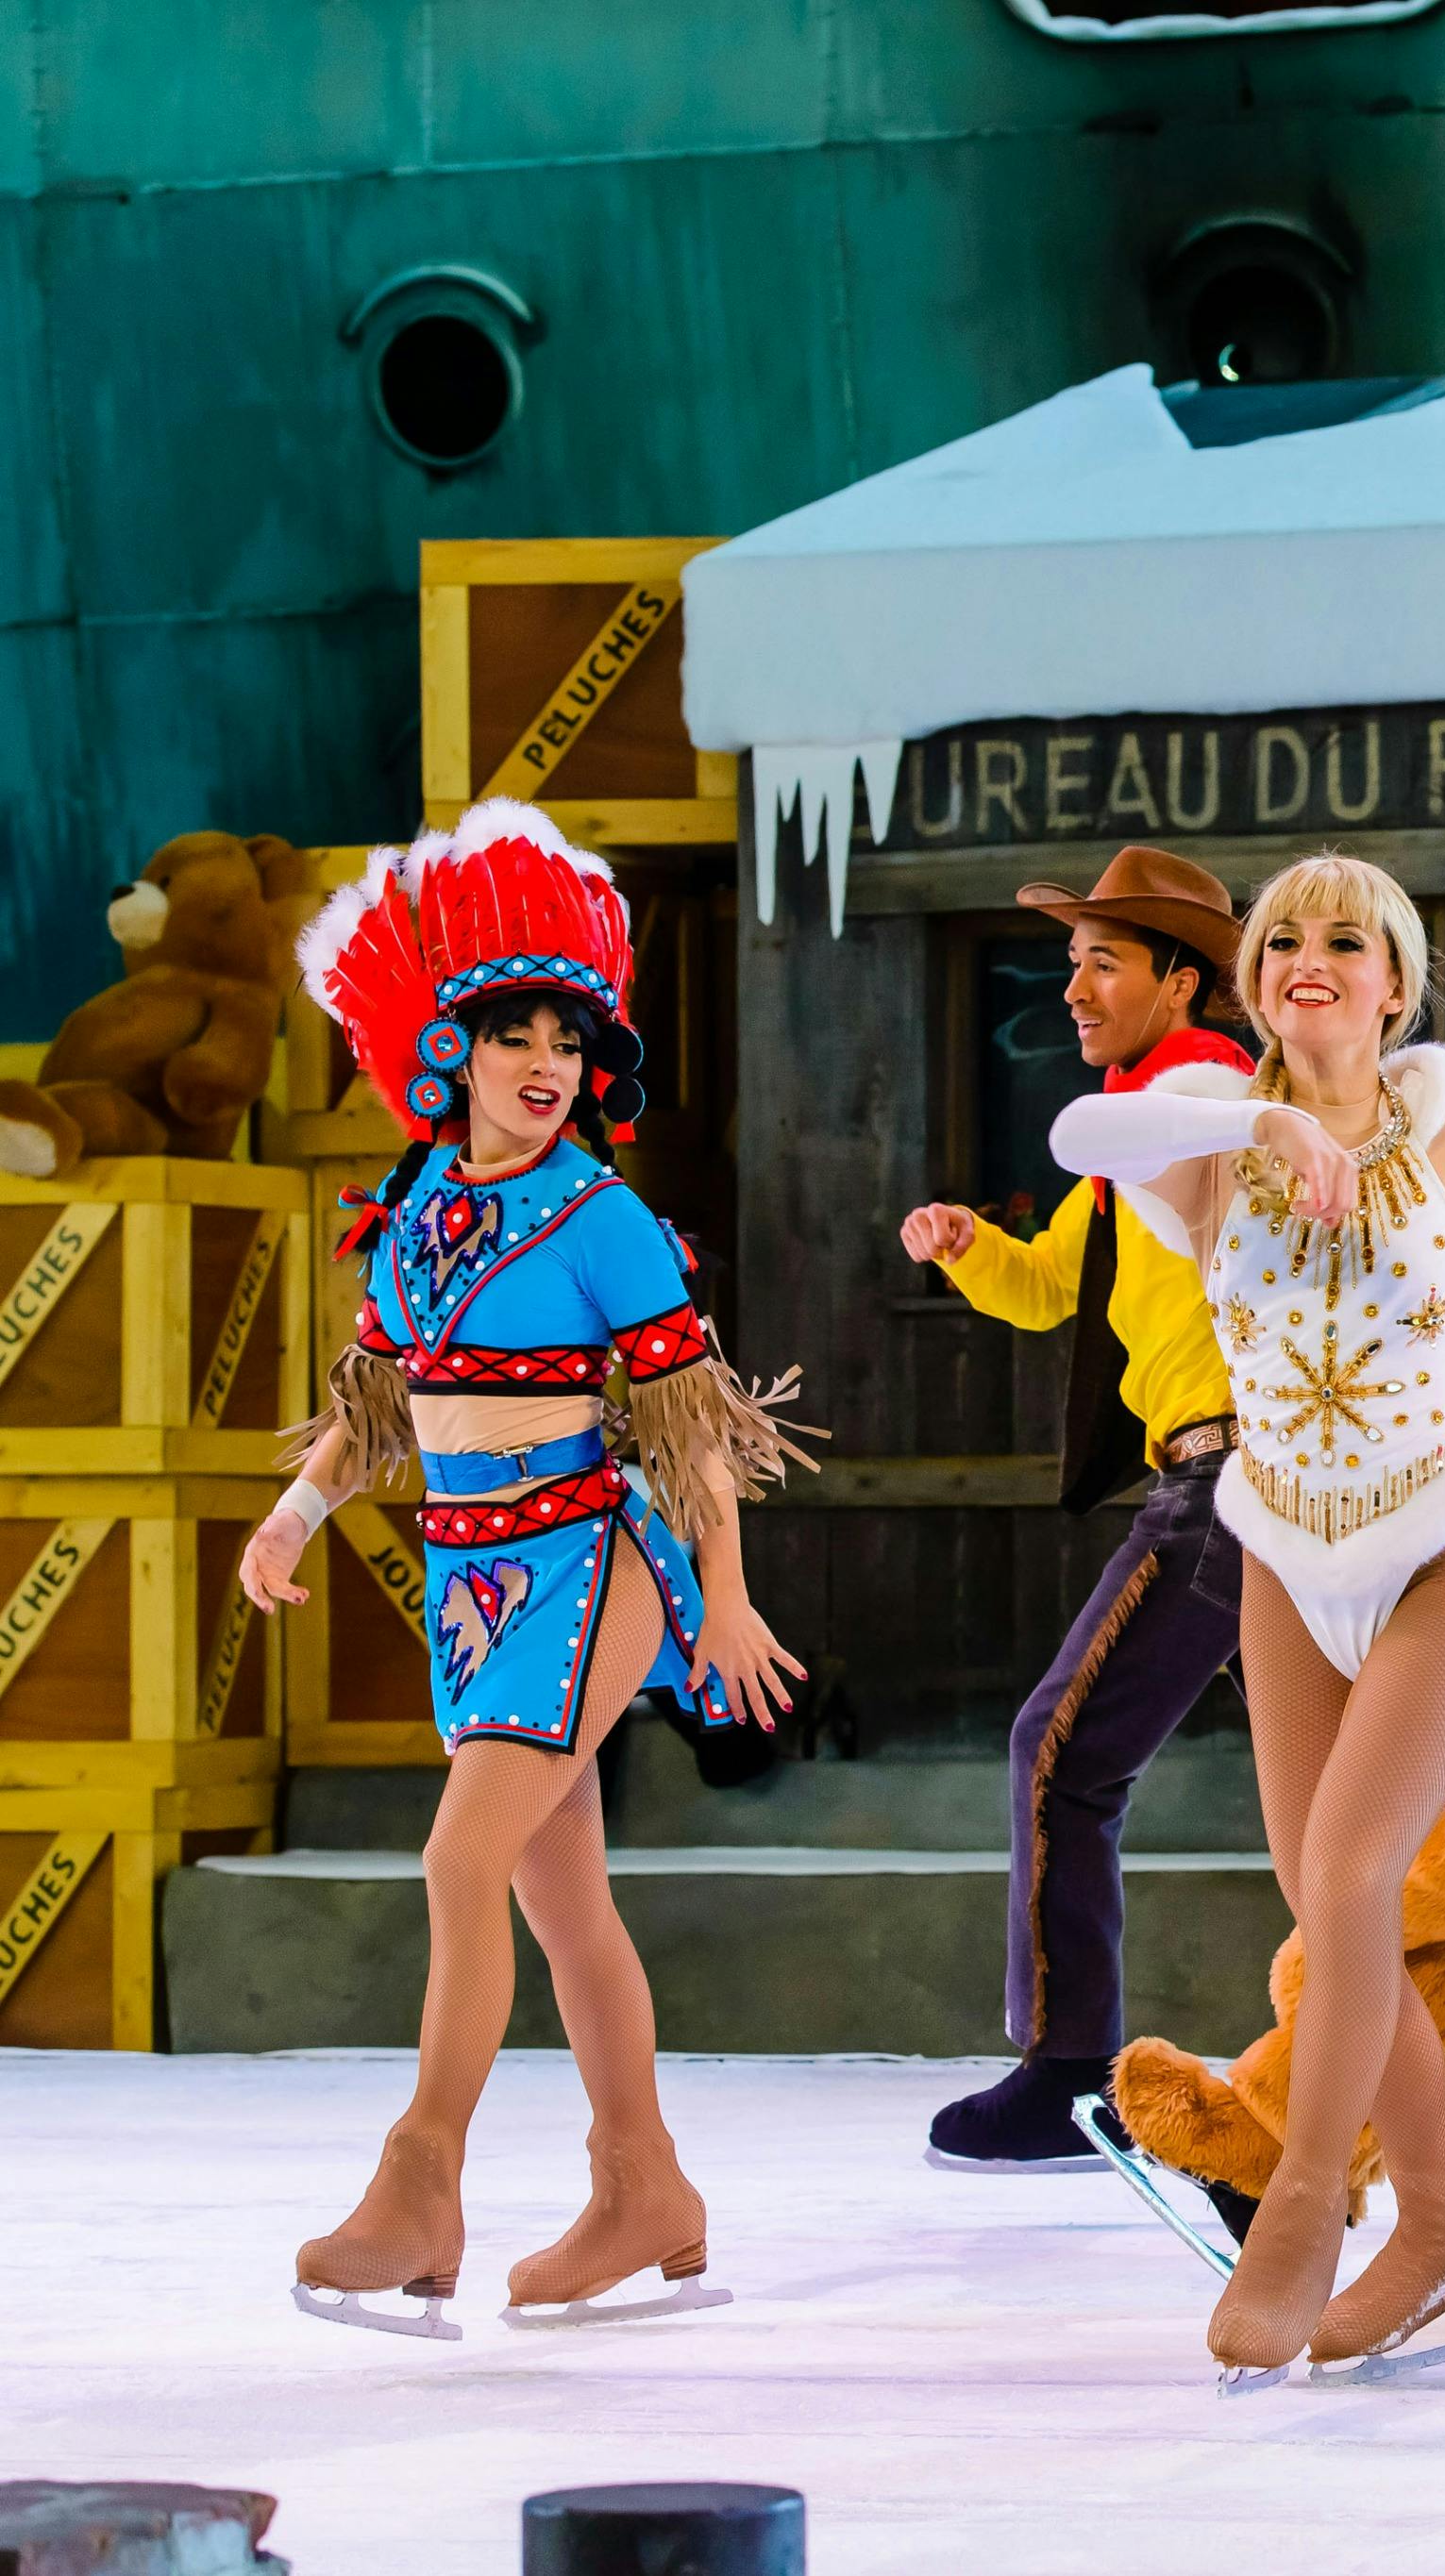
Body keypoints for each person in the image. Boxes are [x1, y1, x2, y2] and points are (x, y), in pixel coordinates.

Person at [1043, 852, 1445, 2386]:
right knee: (1331, 1908)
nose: (1310, 957)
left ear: (1394, 984)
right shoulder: (1205, 1149)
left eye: (1346, 939)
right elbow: (1073, 1134)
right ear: (1256, 982)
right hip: (1283, 1561)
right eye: (1283, 940)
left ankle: (1309, 2200)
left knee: (1361, 1869)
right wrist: (1259, 1123)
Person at [902, 846, 1445, 2213]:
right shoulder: (1151, 1120)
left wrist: (1267, 1127)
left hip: (1242, 1481)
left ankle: (1070, 2067)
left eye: (1103, 962)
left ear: (1189, 985)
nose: (1074, 987)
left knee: (1067, 1750)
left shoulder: (1209, 1094)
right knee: (1338, 1854)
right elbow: (1063, 1286)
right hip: (1246, 1485)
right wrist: (969, 1249)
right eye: (1069, 962)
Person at [249, 801, 813, 2337]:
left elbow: (692, 1426)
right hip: (468, 1580)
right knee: (566, 1906)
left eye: (570, 1036)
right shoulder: (415, 1214)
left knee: (459, 1862)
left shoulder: (604, 1217)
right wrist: (295, 1514)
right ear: (452, 1049)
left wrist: (728, 1592)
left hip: (585, 1558)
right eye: (516, 1031)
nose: (547, 1058)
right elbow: (378, 1407)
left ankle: (420, 2181)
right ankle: (645, 2184)